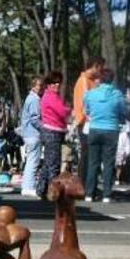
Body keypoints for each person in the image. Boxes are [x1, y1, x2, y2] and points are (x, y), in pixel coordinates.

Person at [83, 68, 129, 203]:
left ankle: (89, 193)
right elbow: (123, 111)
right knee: (108, 163)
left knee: (93, 163)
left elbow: (87, 110)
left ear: (100, 79)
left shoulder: (90, 94)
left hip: (95, 128)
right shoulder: (117, 95)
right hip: (111, 130)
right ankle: (107, 194)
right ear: (112, 79)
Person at [73, 57, 106, 186]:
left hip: (92, 122)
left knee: (92, 155)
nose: (101, 71)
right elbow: (84, 104)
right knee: (86, 155)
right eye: (100, 68)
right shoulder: (83, 81)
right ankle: (82, 184)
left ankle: (89, 184)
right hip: (85, 123)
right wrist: (83, 118)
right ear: (95, 66)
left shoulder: (93, 81)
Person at [37, 71, 70, 199]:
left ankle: (42, 190)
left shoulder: (52, 96)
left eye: (58, 83)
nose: (57, 85)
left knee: (47, 164)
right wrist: (70, 110)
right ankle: (54, 193)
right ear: (48, 84)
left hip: (52, 132)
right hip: (52, 132)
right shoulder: (50, 97)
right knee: (53, 165)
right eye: (53, 83)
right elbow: (62, 112)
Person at [19, 77, 44, 197]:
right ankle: (29, 187)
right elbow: (35, 119)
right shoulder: (34, 100)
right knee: (33, 161)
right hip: (33, 133)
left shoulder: (31, 98)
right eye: (39, 85)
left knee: (31, 160)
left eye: (42, 85)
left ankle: (26, 185)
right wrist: (45, 128)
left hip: (29, 133)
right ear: (33, 86)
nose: (41, 88)